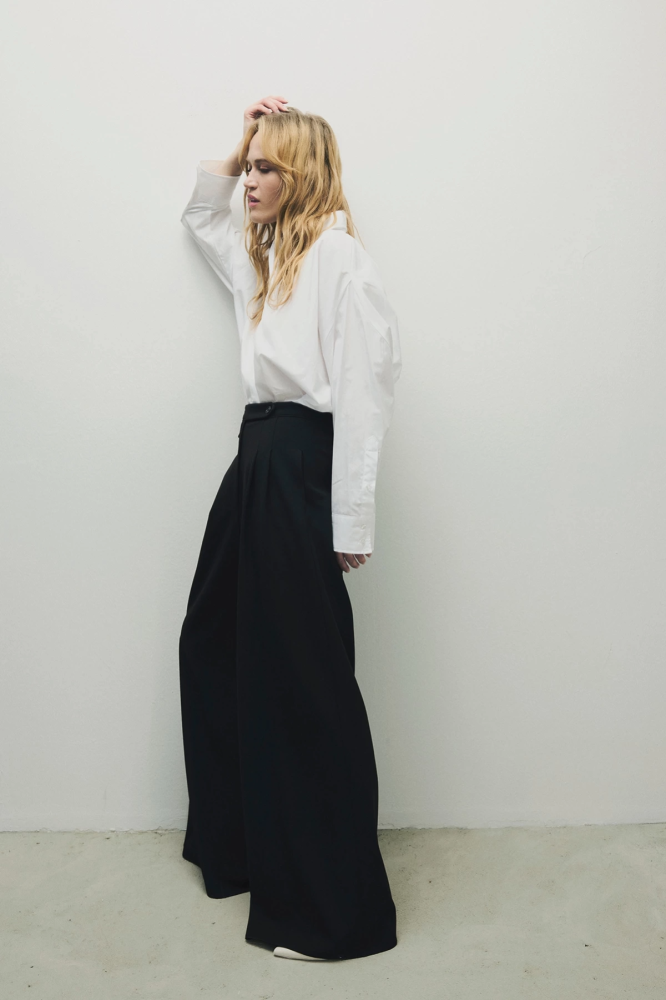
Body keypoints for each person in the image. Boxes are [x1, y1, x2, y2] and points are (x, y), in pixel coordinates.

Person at [178, 95, 402, 962]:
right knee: (215, 645)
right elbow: (202, 216)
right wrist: (241, 142)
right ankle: (242, 848)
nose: (251, 180)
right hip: (254, 461)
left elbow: (367, 388)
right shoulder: (264, 254)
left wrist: (350, 518)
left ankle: (332, 910)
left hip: (301, 463)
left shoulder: (339, 257)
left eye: (269, 166)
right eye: (252, 166)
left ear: (302, 174)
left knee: (305, 677)